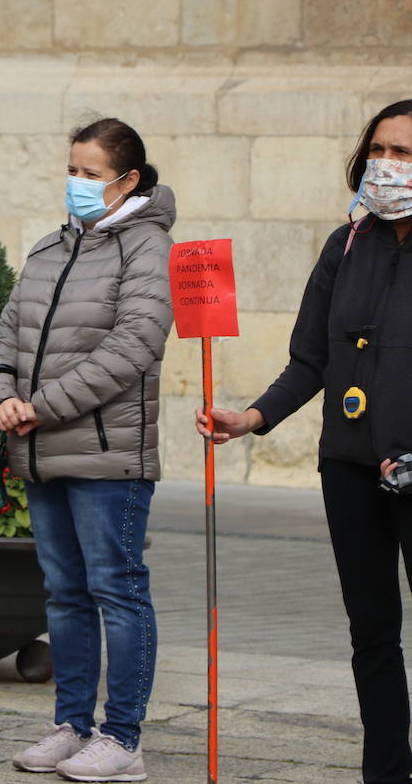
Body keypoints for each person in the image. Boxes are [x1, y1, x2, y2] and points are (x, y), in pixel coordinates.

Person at [197, 100, 412, 784]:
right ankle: (385, 770)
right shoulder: (345, 244)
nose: (386, 165)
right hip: (347, 467)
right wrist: (251, 417)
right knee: (372, 632)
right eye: (379, 150)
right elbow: (310, 360)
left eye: (404, 155)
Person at [0, 117, 174, 782]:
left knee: (116, 590)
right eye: (72, 169)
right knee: (63, 594)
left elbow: (134, 345)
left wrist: (42, 405)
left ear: (129, 181)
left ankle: (123, 738)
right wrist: (0, 395)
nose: (77, 183)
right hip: (39, 451)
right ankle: (71, 725)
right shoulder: (49, 249)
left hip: (106, 456)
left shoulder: (144, 248)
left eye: (91, 173)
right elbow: (6, 332)